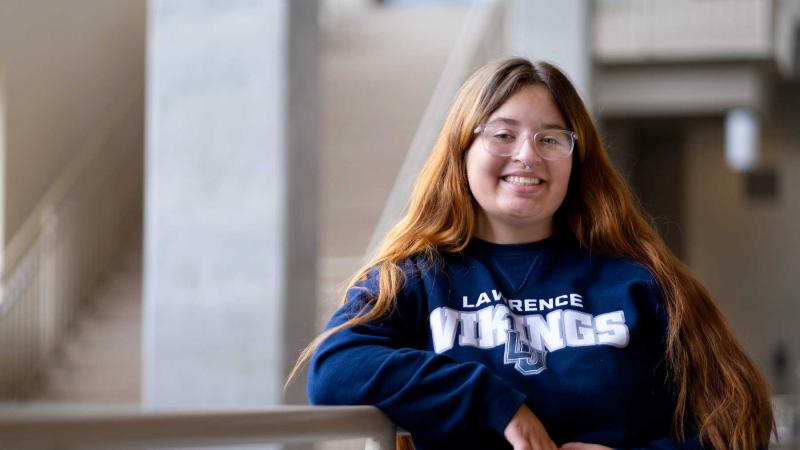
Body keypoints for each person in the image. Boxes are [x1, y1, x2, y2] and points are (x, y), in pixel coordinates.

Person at [290, 58, 775, 450]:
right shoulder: (415, 279)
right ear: (462, 150)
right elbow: (334, 371)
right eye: (502, 135)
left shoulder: (639, 280)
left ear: (575, 159)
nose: (527, 155)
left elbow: (737, 415)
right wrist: (493, 401)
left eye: (550, 139)